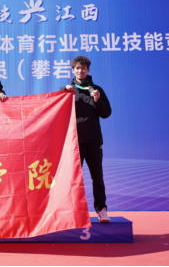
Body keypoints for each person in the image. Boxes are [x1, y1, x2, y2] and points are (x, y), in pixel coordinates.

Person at [62, 56, 112, 223]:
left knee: (97, 178)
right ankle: (71, 210)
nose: (80, 71)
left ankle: (101, 210)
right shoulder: (67, 90)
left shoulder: (96, 90)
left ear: (88, 70)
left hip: (94, 141)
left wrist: (97, 99)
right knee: (72, 178)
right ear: (73, 70)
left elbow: (106, 113)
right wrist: (64, 93)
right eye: (77, 68)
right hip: (74, 142)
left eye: (83, 68)